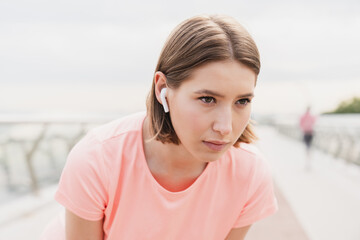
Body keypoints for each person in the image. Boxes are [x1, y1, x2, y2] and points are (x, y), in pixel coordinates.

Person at [41, 14, 278, 240]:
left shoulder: (249, 173)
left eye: (242, 101)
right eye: (207, 99)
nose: (225, 127)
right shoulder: (97, 159)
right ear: (162, 88)